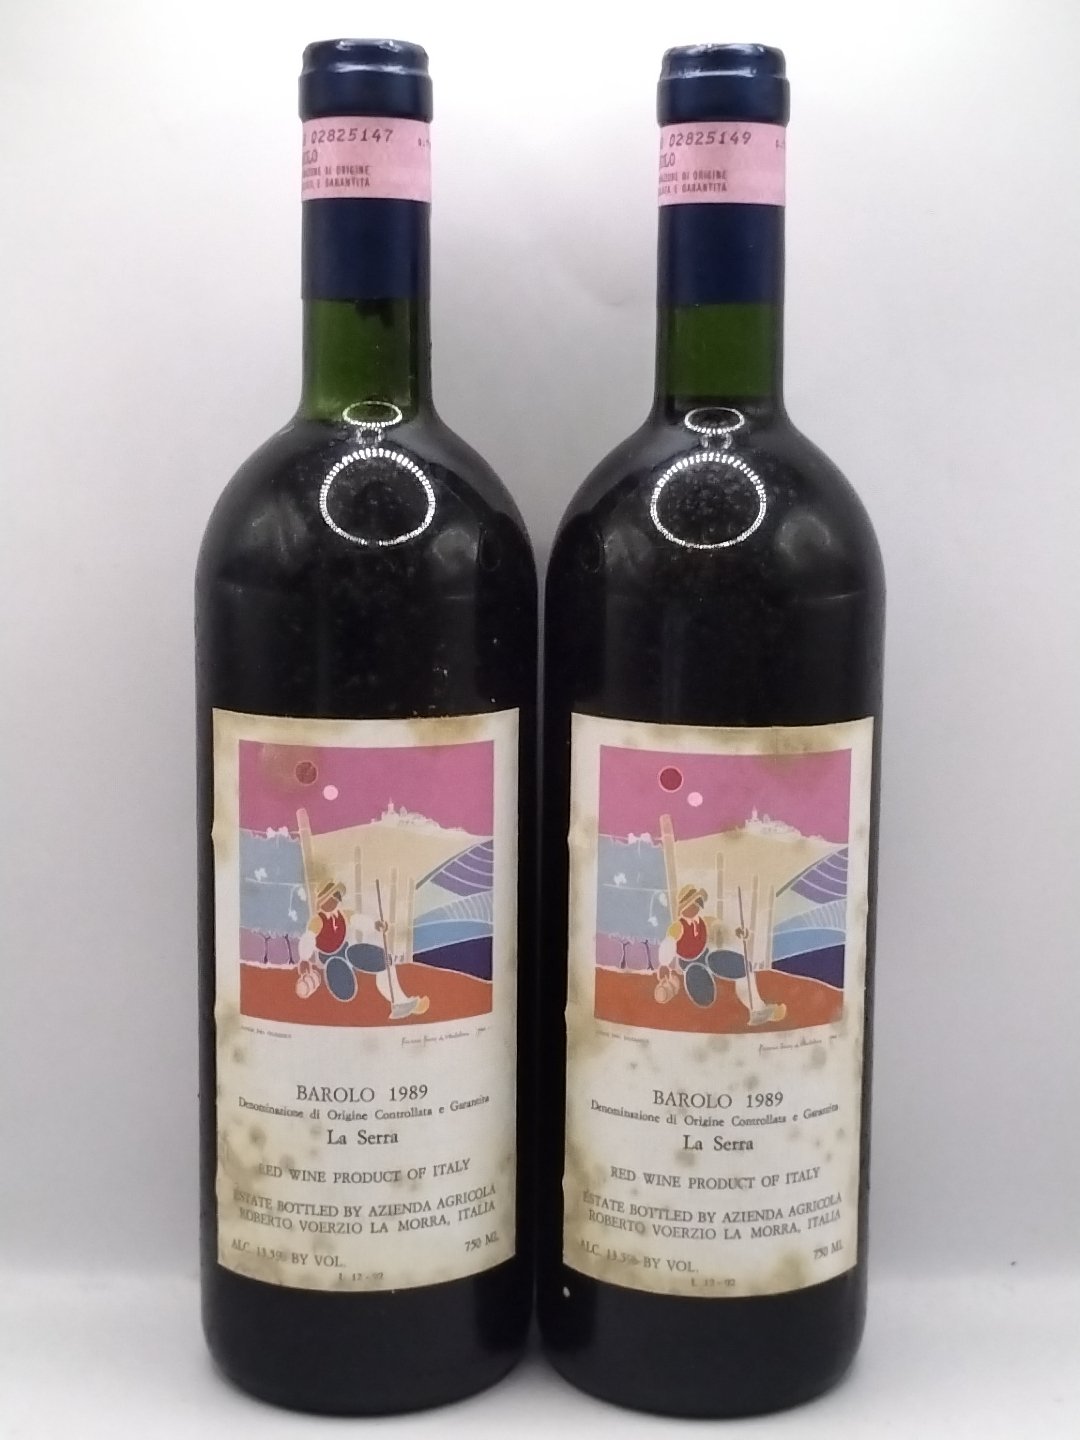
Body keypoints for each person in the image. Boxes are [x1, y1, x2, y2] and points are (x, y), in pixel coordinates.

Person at [297, 878, 429, 1019]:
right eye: (333, 896)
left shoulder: (342, 914)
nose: (337, 899)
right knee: (345, 975)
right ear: (323, 900)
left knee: (384, 961)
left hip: (348, 953)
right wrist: (304, 959)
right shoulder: (317, 921)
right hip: (332, 960)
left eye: (338, 896)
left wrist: (376, 925)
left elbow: (357, 920)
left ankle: (400, 1003)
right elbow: (308, 939)